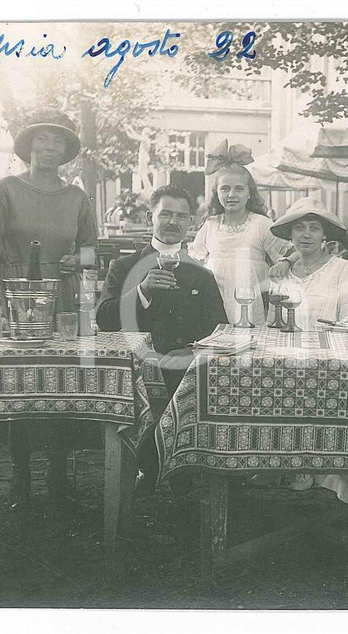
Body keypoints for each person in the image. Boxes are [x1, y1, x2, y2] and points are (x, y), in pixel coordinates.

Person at [0, 108, 99, 509]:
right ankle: (22, 477)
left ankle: (62, 475)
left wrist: (75, 262)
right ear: (28, 146)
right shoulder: (7, 189)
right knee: (22, 385)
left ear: (67, 151)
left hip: (61, 299)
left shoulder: (77, 196)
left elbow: (90, 249)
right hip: (17, 301)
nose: (50, 147)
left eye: (59, 140)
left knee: (61, 384)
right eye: (42, 139)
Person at [96, 185, 228, 492]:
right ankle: (153, 466)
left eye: (181, 216)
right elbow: (104, 320)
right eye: (165, 213)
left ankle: (180, 470)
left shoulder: (201, 274)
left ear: (190, 224)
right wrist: (141, 291)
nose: (173, 222)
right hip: (139, 372)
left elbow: (220, 328)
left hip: (188, 370)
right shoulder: (125, 267)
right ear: (149, 217)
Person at [269, 197, 348, 503]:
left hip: (331, 359)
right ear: (291, 235)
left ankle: (329, 472)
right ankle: (289, 465)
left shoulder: (342, 269)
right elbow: (274, 322)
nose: (306, 234)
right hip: (288, 360)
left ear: (325, 235)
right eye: (299, 228)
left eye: (314, 228)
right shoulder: (282, 272)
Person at [188, 139, 295, 325]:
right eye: (225, 189)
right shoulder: (211, 225)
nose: (231, 195)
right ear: (217, 193)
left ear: (249, 193)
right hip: (214, 303)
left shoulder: (261, 224)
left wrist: (285, 262)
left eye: (238, 189)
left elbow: (294, 253)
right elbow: (193, 262)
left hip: (250, 304)